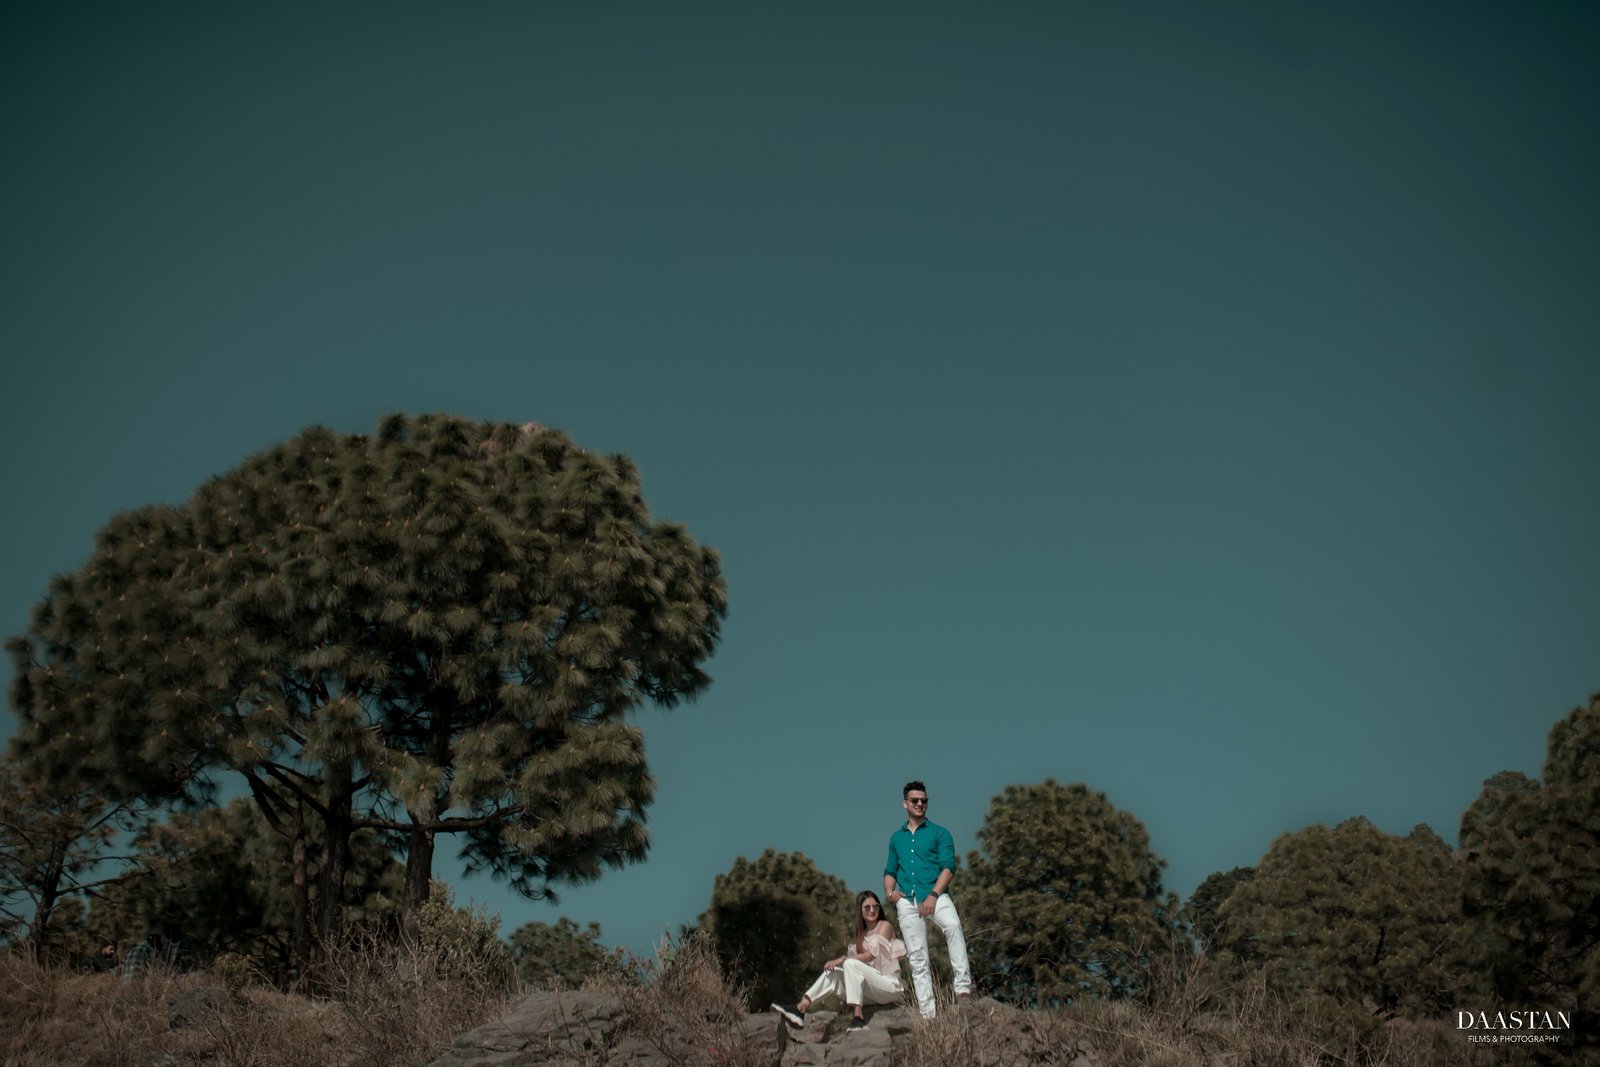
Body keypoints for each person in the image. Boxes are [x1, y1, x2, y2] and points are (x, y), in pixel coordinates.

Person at [883, 779, 971, 1017]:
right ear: (905, 803)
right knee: (917, 956)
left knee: (953, 926)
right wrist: (890, 894)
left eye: (924, 800)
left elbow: (948, 868)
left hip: (936, 894)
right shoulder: (896, 838)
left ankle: (963, 990)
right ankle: (928, 1014)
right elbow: (890, 871)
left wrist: (933, 895)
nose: (920, 804)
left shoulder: (940, 833)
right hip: (907, 901)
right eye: (915, 800)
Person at [771, 890, 907, 1033]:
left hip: (889, 986)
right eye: (867, 907)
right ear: (860, 911)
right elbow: (856, 974)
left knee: (849, 963)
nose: (872, 910)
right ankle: (800, 1009)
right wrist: (844, 1002)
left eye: (876, 906)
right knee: (833, 973)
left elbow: (870, 956)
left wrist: (842, 959)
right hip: (872, 992)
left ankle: (858, 1018)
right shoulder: (861, 935)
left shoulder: (884, 926)